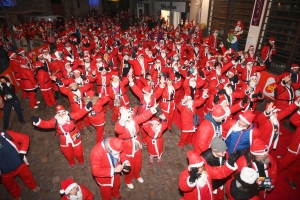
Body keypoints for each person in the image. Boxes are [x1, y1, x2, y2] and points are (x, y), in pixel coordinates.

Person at [31, 103, 92, 168]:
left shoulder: (71, 116)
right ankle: (72, 163)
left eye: (63, 113)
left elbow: (79, 114)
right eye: (60, 114)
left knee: (79, 152)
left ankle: (81, 161)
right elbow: (47, 124)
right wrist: (38, 121)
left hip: (74, 137)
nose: (62, 115)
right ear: (57, 115)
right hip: (63, 140)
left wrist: (86, 108)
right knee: (68, 154)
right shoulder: (55, 121)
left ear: (65, 112)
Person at [115, 103, 159, 189]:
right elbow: (118, 130)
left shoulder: (134, 120)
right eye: (129, 112)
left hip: (137, 146)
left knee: (138, 164)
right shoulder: (120, 124)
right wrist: (123, 120)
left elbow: (143, 116)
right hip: (127, 150)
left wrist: (151, 110)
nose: (132, 113)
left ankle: (137, 175)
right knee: (130, 166)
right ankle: (128, 180)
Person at [0, 130, 40, 200]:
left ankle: (33, 186)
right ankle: (17, 195)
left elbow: (25, 138)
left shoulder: (6, 135)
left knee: (27, 177)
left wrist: (22, 153)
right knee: (10, 186)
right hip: (3, 173)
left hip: (19, 164)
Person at [277, 110, 300, 189]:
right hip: (296, 147)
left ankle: (289, 177)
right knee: (284, 162)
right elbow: (294, 120)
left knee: (298, 167)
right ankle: (272, 174)